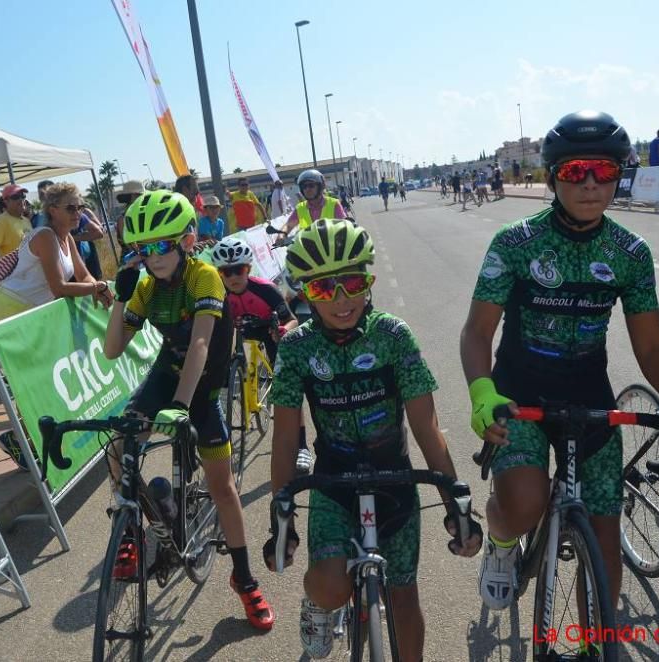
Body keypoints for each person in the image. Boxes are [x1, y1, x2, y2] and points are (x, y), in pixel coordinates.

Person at [461, 110, 659, 621]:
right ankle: (502, 537)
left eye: (605, 171)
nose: (591, 184)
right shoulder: (516, 243)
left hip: (589, 397)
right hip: (519, 395)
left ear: (620, 174)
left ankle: (599, 639)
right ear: (552, 177)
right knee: (524, 504)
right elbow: (477, 331)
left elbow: (650, 346)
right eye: (575, 172)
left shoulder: (629, 252)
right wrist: (482, 391)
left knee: (604, 540)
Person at [265, 219, 482, 660]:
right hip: (333, 484)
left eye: (353, 283)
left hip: (394, 480)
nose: (343, 300)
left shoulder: (393, 336)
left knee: (404, 597)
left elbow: (427, 428)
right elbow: (286, 439)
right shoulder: (296, 348)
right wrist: (279, 516)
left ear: (370, 281)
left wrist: (455, 504)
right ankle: (320, 604)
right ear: (305, 293)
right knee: (328, 586)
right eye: (326, 290)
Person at [104, 190, 275, 631]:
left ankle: (245, 578)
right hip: (167, 372)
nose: (152, 257)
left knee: (222, 487)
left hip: (203, 382)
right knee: (118, 444)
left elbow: (200, 343)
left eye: (162, 245)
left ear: (186, 240)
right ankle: (131, 531)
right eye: (142, 249)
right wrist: (121, 299)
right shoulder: (145, 285)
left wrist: (180, 407)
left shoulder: (204, 276)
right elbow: (111, 349)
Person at [210, 236, 311, 472]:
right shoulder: (216, 292)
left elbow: (293, 319)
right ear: (219, 273)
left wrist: (285, 330)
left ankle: (303, 446)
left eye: (239, 270)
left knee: (287, 385)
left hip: (269, 330)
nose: (234, 277)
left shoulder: (266, 290)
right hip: (237, 331)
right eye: (227, 272)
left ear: (249, 269)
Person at [0, 183, 113, 326]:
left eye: (80, 208)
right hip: (9, 308)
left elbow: (83, 275)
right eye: (70, 208)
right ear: (53, 210)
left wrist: (95, 287)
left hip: (31, 307)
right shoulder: (46, 236)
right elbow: (59, 288)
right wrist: (98, 287)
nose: (77, 213)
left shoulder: (67, 237)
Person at [0, 183, 32, 269]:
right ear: (6, 201)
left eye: (23, 196)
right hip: (15, 278)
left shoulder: (26, 221)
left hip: (30, 274)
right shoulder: (3, 220)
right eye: (16, 197)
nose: (21, 200)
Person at [281, 169, 346, 235]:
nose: (307, 189)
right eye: (304, 186)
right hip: (306, 245)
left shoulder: (334, 204)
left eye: (311, 185)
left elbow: (344, 225)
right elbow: (288, 226)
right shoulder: (300, 208)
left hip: (331, 244)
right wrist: (282, 235)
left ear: (320, 186)